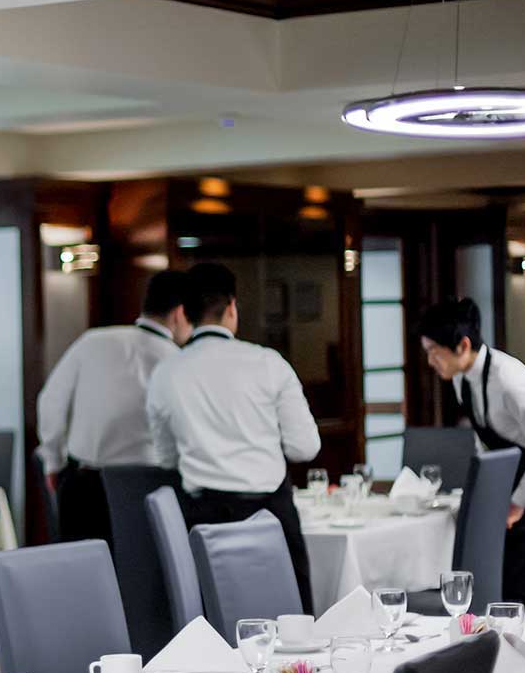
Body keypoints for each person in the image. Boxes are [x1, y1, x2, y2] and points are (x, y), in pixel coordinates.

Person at [147, 262, 321, 611]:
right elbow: (306, 447)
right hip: (269, 513)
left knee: (217, 623)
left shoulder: (166, 373)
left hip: (202, 516)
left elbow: (165, 458)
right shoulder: (268, 363)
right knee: (290, 622)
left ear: (185, 313)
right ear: (231, 308)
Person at [417, 297, 525, 612]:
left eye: (434, 352)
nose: (430, 361)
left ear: (462, 345)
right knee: (484, 577)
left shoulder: (510, 381)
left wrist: (517, 502)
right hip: (511, 491)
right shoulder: (461, 378)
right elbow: (486, 441)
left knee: (516, 592)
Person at [36, 269, 192, 542]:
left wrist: (53, 460)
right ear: (179, 314)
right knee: (141, 577)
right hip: (150, 489)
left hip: (83, 487)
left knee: (82, 575)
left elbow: (50, 401)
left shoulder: (92, 341)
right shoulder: (178, 361)